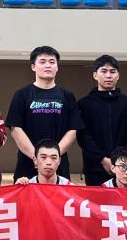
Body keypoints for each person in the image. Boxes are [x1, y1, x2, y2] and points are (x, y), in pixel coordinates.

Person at [6, 46, 84, 180]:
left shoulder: (67, 96)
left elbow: (73, 130)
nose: (48, 65)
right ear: (33, 67)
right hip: (28, 163)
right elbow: (16, 129)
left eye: (52, 62)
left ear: (57, 67)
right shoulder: (22, 95)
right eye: (42, 62)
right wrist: (37, 158)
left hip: (59, 165)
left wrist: (53, 157)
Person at [77, 54, 127, 187]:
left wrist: (122, 161)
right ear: (95, 75)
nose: (108, 75)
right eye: (103, 71)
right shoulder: (84, 104)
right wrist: (102, 159)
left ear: (118, 75)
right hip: (94, 167)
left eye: (112, 71)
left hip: (124, 167)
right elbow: (83, 136)